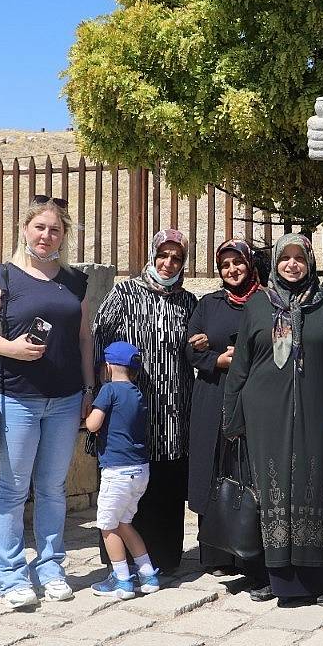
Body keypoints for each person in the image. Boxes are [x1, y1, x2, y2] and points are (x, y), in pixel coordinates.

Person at [0, 196, 93, 609]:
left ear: (63, 235)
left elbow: (84, 339)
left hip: (65, 398)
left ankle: (51, 568)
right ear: (25, 229)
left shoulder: (75, 281)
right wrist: (11, 348)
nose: (46, 236)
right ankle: (9, 576)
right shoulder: (4, 275)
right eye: (39, 227)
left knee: (53, 488)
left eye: (55, 229)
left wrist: (88, 389)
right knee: (13, 488)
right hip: (17, 397)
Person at [222, 233, 323, 608]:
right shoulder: (259, 305)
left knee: (316, 486)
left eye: (300, 257)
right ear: (276, 262)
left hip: (317, 413)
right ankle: (274, 576)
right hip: (264, 416)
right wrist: (232, 419)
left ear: (310, 262)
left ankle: (321, 578)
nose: (292, 264)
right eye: (285, 257)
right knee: (271, 490)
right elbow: (241, 365)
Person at [92, 229, 197, 572]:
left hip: (173, 409)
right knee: (124, 483)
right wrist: (102, 390)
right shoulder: (124, 293)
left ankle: (162, 558)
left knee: (165, 480)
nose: (168, 263)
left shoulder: (188, 301)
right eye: (163, 255)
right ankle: (121, 562)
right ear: (152, 255)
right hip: (130, 408)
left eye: (177, 258)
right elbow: (98, 337)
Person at [184, 239, 269, 597]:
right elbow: (188, 347)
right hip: (213, 394)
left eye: (238, 262)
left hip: (253, 398)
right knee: (212, 467)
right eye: (225, 265)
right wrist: (214, 359)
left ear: (250, 264)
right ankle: (216, 551)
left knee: (246, 470)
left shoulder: (266, 300)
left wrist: (247, 359)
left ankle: (248, 552)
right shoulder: (209, 304)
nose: (232, 270)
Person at [86, 341, 160, 600]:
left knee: (108, 526)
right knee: (125, 523)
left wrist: (88, 416)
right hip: (140, 470)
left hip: (116, 471)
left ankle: (122, 580)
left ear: (108, 367)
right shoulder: (136, 392)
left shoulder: (108, 390)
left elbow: (93, 425)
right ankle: (148, 574)